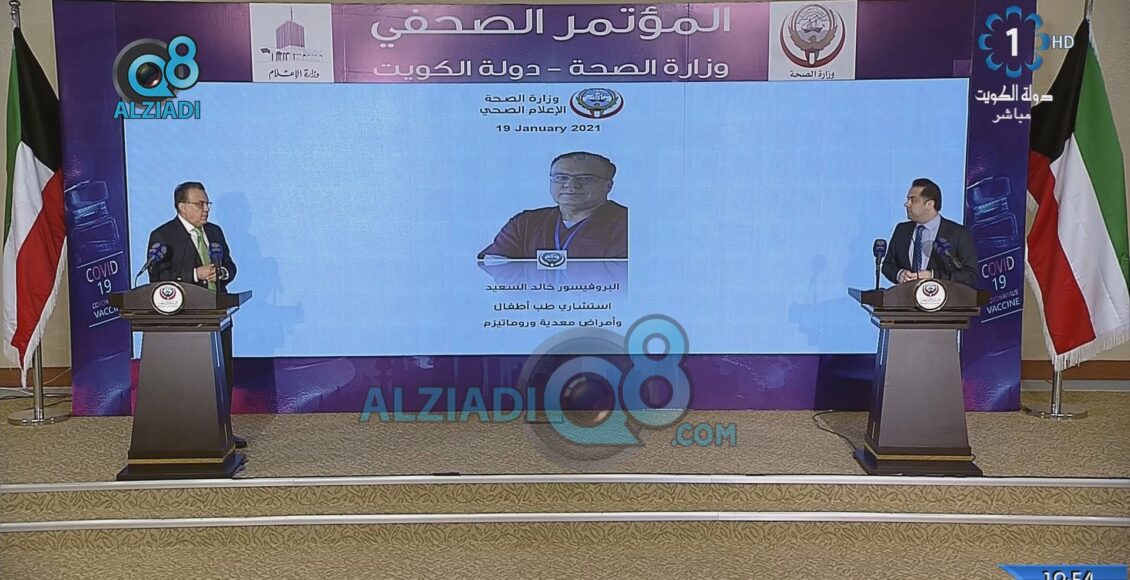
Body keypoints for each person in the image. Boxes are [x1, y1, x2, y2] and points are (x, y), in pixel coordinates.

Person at [146, 181, 245, 448]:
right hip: (185, 319)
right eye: (199, 204)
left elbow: (231, 266)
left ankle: (223, 432)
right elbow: (158, 277)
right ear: (182, 207)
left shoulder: (214, 232)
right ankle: (187, 433)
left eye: (207, 204)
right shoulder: (163, 235)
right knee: (190, 380)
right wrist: (194, 275)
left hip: (217, 315)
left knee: (222, 373)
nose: (206, 209)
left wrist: (221, 272)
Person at [479, 152, 627, 259]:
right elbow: (495, 263)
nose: (571, 185)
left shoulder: (628, 224)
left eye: (585, 178)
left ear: (608, 186)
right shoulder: (525, 222)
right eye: (561, 177)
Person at [881, 178, 977, 286]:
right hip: (905, 295)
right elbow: (888, 265)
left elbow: (970, 275)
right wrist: (899, 274)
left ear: (929, 205)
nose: (907, 204)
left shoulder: (958, 234)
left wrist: (933, 276)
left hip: (943, 296)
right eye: (908, 199)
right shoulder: (901, 230)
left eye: (913, 200)